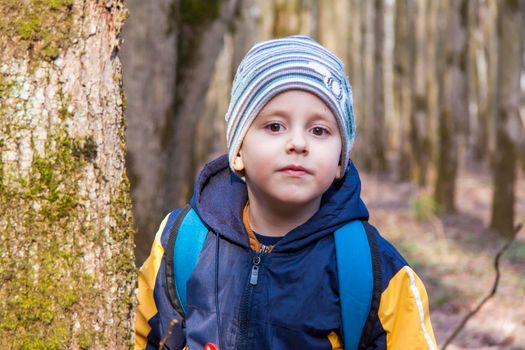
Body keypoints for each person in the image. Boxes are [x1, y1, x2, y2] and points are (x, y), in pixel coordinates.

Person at [135, 35, 438, 350]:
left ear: (340, 161)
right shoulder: (184, 243)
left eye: (319, 130)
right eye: (275, 126)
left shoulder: (375, 273)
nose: (298, 143)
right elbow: (139, 336)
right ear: (238, 151)